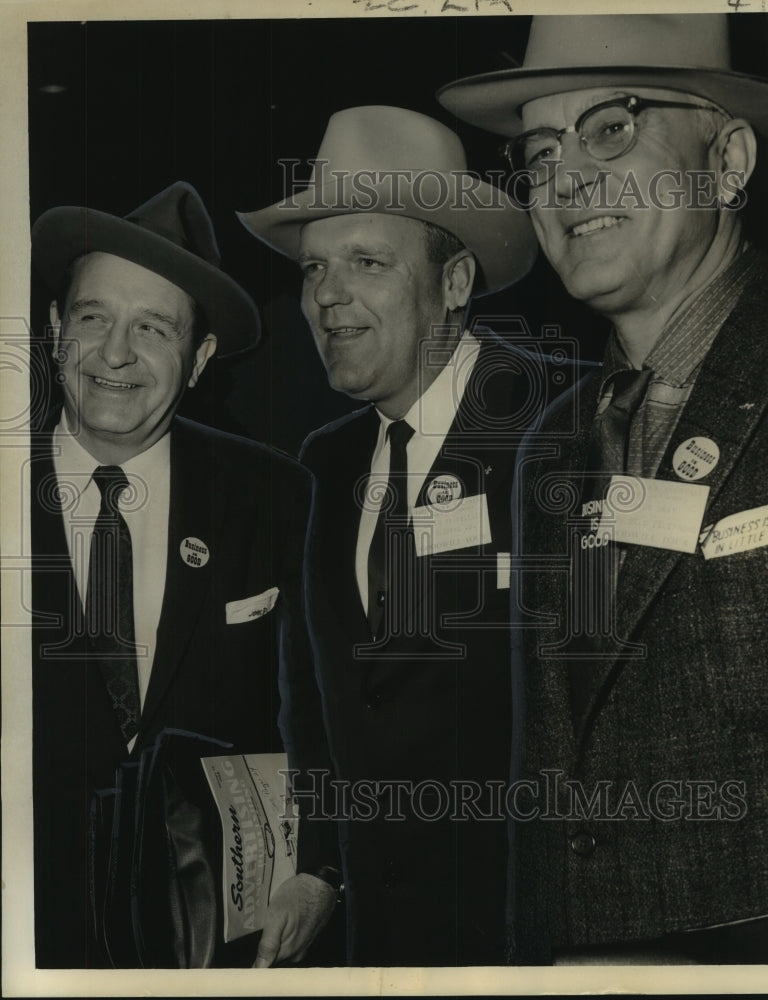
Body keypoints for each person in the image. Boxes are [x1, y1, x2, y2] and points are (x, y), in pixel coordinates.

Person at [438, 13, 768, 963]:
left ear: (730, 159)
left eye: (612, 128)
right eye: (539, 151)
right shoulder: (554, 444)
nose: (565, 178)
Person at [237, 105, 559, 966]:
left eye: (366, 263)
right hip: (374, 947)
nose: (326, 297)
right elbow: (316, 703)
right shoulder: (328, 459)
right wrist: (321, 869)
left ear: (453, 282)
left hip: (533, 947)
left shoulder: (567, 422)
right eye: (313, 268)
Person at [29, 181, 312, 968]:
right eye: (93, 318)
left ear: (200, 359)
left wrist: (320, 871)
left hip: (211, 942)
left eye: (152, 328)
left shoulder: (274, 495)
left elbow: (321, 713)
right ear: (55, 330)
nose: (116, 353)